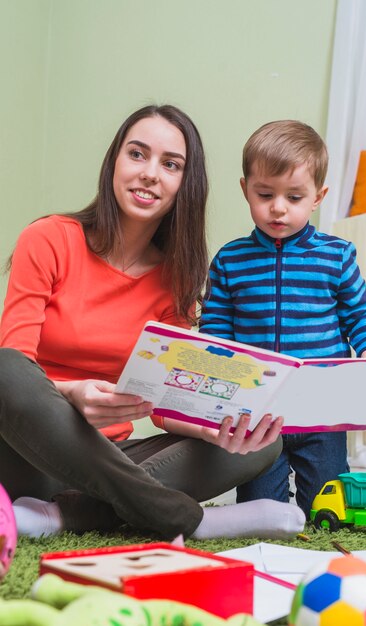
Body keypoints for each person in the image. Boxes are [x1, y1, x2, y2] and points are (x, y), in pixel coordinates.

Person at [0, 105, 306, 541]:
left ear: (185, 184)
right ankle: (192, 521)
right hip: (25, 452)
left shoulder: (173, 279)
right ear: (115, 164)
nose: (150, 173)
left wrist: (217, 426)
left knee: (259, 446)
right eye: (137, 154)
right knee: (4, 368)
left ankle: (62, 515)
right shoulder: (49, 239)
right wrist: (73, 393)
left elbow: (166, 402)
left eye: (170, 164)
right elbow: (18, 366)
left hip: (107, 458)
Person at [199, 119, 366, 517]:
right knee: (259, 510)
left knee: (328, 507)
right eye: (264, 194)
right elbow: (214, 326)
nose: (278, 207)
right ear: (245, 189)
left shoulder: (336, 255)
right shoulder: (231, 260)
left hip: (322, 408)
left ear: (317, 197)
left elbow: (360, 312)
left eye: (294, 197)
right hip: (257, 412)